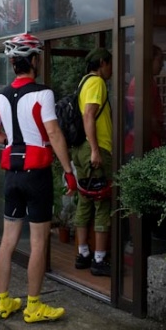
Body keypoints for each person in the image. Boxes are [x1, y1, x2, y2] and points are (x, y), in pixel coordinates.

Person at [0, 33, 77, 323]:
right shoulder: (43, 93)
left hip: (12, 174)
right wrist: (68, 171)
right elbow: (53, 133)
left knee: (8, 240)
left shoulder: (0, 95)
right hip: (36, 174)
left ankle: (3, 302)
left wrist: (14, 140)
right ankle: (33, 305)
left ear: (12, 63)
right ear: (34, 60)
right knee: (38, 242)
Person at [72, 47, 113, 277]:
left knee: (85, 200)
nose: (112, 70)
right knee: (101, 202)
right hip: (94, 149)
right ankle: (99, 259)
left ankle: (83, 253)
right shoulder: (97, 82)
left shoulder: (83, 82)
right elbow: (89, 114)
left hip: (80, 149)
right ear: (102, 63)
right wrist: (96, 150)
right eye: (110, 64)